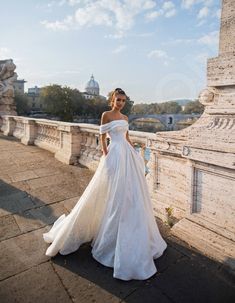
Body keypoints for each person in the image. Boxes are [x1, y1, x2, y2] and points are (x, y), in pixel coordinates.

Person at [43, 88, 167, 281]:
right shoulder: (106, 115)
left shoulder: (125, 118)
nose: (121, 103)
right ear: (112, 99)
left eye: (124, 100)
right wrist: (105, 153)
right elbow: (102, 137)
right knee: (112, 192)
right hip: (114, 155)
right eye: (118, 99)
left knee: (130, 193)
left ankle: (127, 230)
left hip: (126, 154)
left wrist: (134, 148)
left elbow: (126, 137)